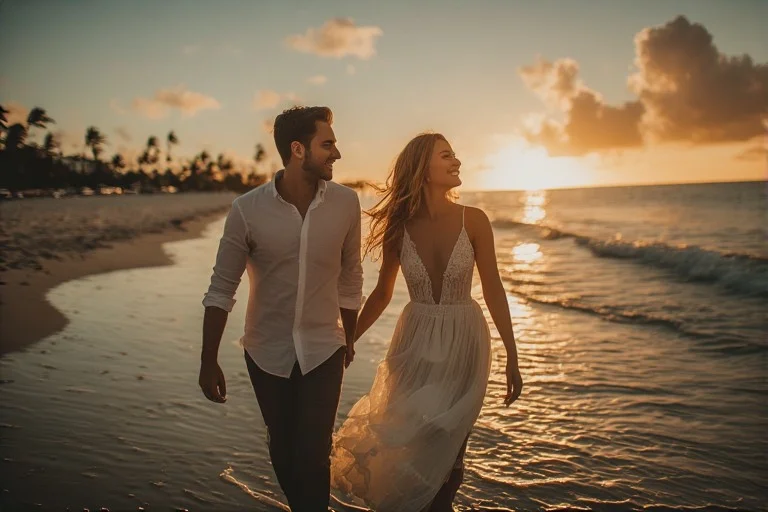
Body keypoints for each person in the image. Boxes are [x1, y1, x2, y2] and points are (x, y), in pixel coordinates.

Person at [330, 133, 523, 511]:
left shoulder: (476, 220)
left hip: (465, 341)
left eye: (455, 154)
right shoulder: (399, 229)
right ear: (424, 168)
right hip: (415, 341)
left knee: (451, 450)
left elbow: (495, 290)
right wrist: (348, 339)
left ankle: (442, 505)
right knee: (409, 439)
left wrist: (513, 357)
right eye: (447, 155)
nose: (457, 162)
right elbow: (382, 294)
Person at [198, 106, 364, 511]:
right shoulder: (247, 210)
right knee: (284, 445)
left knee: (313, 450)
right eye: (328, 144)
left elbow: (351, 277)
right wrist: (208, 359)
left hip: (325, 347)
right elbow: (222, 287)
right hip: (265, 349)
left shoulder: (346, 203)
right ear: (297, 150)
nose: (337, 153)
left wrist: (350, 335)